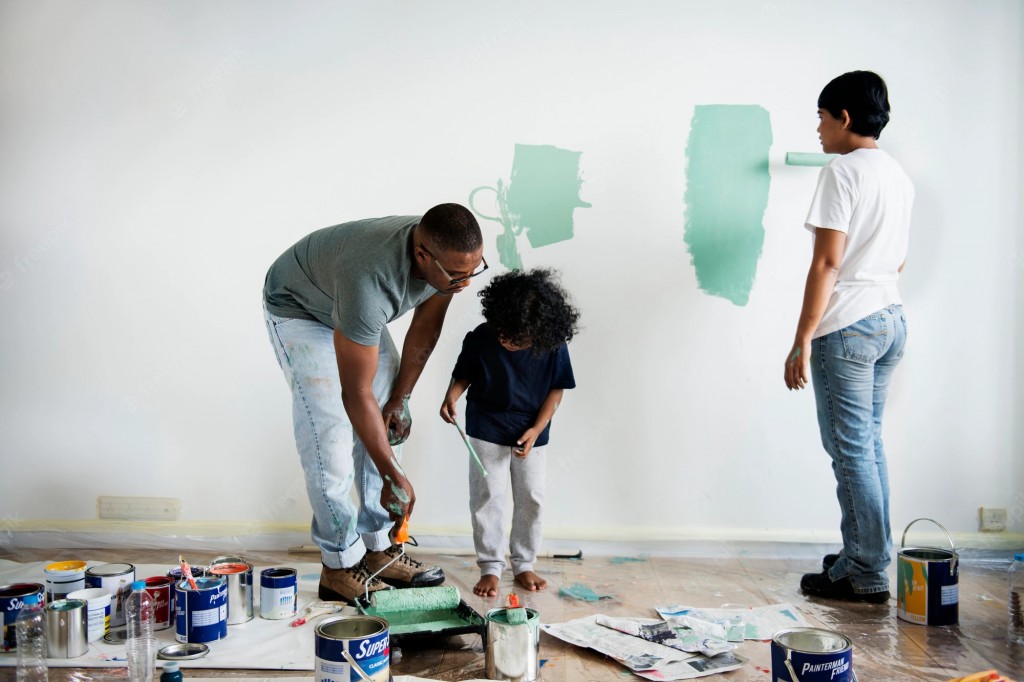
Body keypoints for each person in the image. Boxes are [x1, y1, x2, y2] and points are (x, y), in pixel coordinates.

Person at [263, 204, 487, 603]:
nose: (466, 282)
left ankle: (379, 545)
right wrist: (391, 474)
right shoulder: (368, 279)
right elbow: (356, 395)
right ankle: (340, 565)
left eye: (475, 270)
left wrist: (401, 398)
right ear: (422, 256)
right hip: (299, 308)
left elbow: (426, 325)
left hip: (343, 304)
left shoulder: (449, 264)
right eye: (457, 275)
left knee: (387, 416)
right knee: (328, 435)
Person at [784, 71, 913, 603]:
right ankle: (864, 552)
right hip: (890, 319)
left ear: (844, 117)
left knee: (850, 450)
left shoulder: (842, 173)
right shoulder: (897, 174)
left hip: (850, 326)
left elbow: (828, 263)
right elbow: (899, 258)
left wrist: (802, 339)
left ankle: (864, 571)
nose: (817, 128)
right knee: (868, 445)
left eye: (820, 116)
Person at [440, 269, 579, 597]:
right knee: (488, 496)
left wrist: (536, 429)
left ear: (539, 332)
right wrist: (451, 395)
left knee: (532, 497)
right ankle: (490, 566)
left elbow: (556, 391)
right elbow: (464, 375)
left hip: (532, 430)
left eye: (519, 339)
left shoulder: (553, 346)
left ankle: (524, 563)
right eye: (503, 333)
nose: (507, 342)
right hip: (486, 425)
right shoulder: (479, 337)